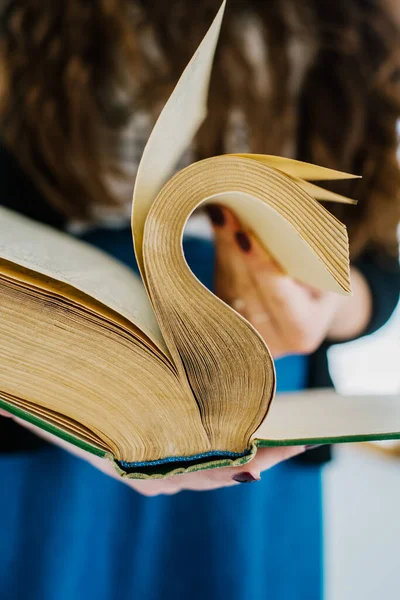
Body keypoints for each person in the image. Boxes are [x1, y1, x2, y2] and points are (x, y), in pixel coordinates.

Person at [0, 1, 399, 599]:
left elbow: (377, 257)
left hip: (262, 403)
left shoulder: (358, 20)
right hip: (64, 392)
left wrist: (326, 305)